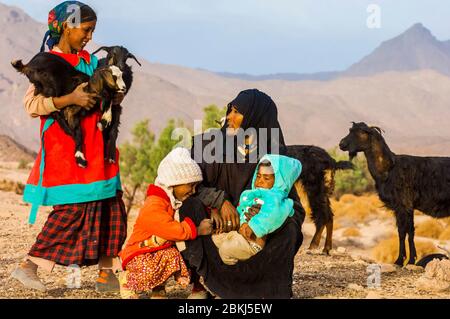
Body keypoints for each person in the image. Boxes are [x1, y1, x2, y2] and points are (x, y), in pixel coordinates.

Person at [11, 1, 127, 293]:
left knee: (111, 208)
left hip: (98, 149)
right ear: (66, 26)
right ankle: (28, 267)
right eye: (85, 30)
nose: (89, 36)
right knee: (72, 211)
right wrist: (69, 100)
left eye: (92, 31)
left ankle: (106, 275)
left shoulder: (91, 62)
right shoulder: (46, 62)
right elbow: (31, 105)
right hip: (68, 150)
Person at [180, 89, 305, 299]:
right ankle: (202, 285)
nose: (229, 117)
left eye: (237, 112)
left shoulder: (274, 156)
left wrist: (263, 219)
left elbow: (295, 206)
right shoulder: (210, 145)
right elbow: (188, 186)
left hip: (254, 236)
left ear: (257, 118)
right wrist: (218, 202)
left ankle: (267, 289)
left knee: (290, 224)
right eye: (230, 110)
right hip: (219, 225)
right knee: (189, 208)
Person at [118, 148, 213, 299]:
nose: (193, 191)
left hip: (155, 249)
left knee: (170, 255)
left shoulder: (169, 201)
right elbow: (170, 229)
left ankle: (158, 287)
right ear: (174, 183)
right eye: (190, 185)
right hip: (139, 253)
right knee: (163, 258)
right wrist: (197, 229)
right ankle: (128, 282)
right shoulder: (154, 204)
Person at [212, 154, 302, 265]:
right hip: (238, 234)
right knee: (214, 239)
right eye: (258, 176)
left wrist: (253, 227)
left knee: (225, 250)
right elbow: (241, 211)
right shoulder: (253, 194)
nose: (260, 181)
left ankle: (232, 268)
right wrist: (230, 227)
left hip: (252, 242)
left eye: (266, 178)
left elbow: (271, 215)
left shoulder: (274, 198)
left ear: (279, 181)